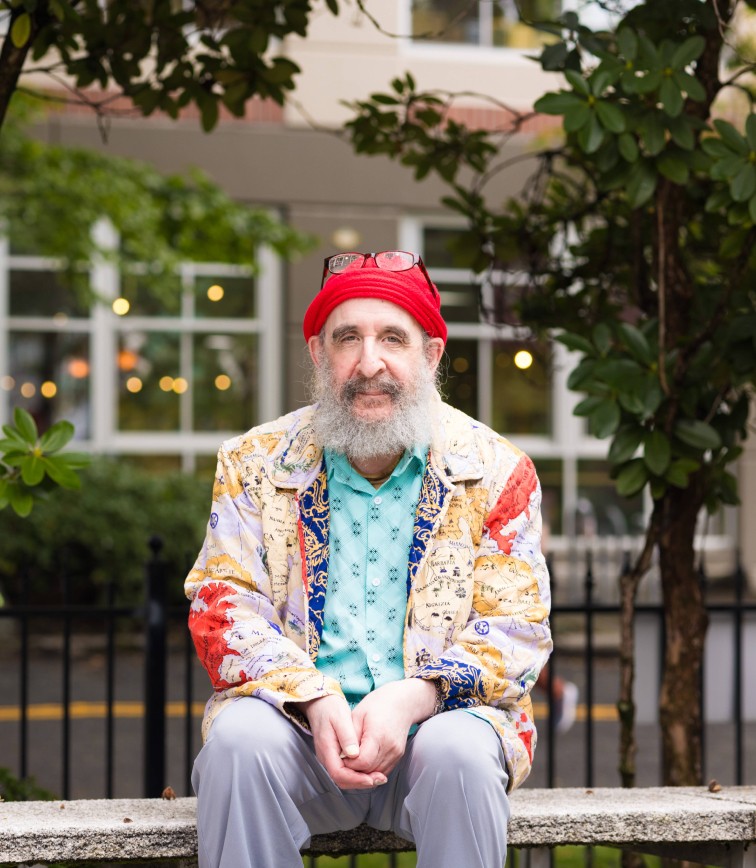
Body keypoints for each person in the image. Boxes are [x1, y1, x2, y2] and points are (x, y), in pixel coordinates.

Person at [186, 250, 553, 868]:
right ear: (317, 353)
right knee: (238, 741)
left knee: (459, 751)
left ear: (431, 354)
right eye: (347, 338)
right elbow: (222, 604)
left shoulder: (497, 471)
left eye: (393, 338)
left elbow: (517, 628)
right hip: (299, 736)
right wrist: (312, 697)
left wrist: (415, 697)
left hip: (434, 739)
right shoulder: (253, 462)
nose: (369, 363)